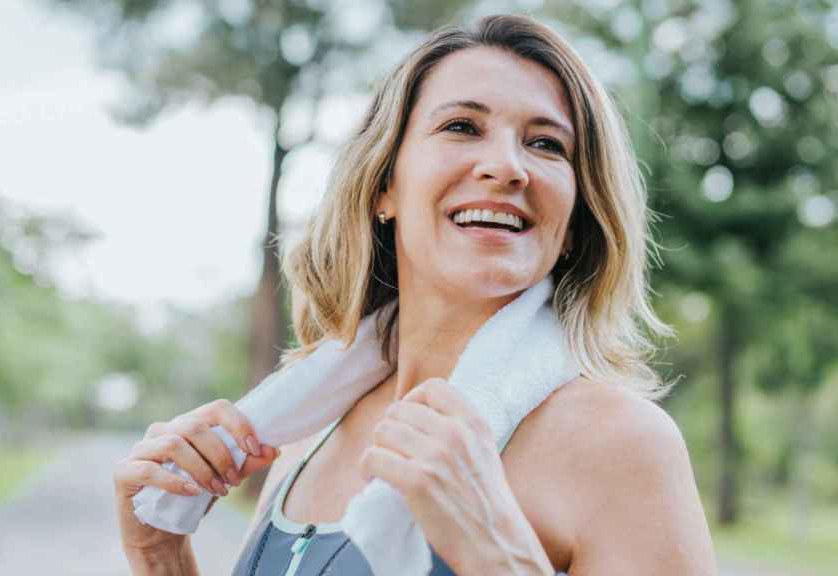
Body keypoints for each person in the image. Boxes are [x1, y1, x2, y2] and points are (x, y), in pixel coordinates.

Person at [113, 14, 717, 575]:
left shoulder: (623, 444)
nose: (507, 167)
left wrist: (497, 555)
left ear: (573, 222)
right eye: (462, 127)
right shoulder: (307, 428)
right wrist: (159, 553)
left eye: (546, 144)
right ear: (384, 188)